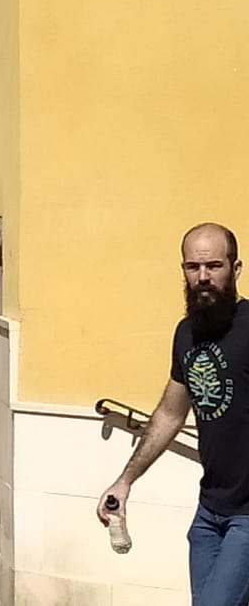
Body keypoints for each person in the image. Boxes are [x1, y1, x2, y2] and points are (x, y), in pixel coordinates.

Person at [99, 223, 249, 602]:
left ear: (236, 268)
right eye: (192, 268)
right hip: (210, 512)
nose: (202, 277)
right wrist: (125, 480)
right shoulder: (187, 334)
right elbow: (169, 413)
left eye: (214, 266)